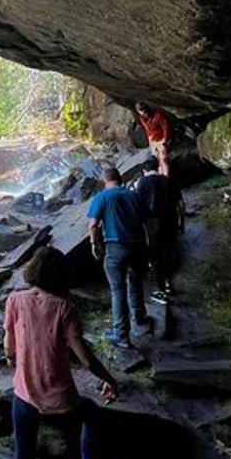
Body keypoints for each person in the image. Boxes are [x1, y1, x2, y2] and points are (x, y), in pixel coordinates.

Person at [2, 246, 119, 459]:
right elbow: (85, 357)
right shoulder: (64, 308)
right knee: (92, 415)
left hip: (25, 400)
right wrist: (110, 379)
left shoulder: (14, 301)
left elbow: (9, 349)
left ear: (34, 270)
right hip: (62, 402)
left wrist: (19, 362)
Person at [87, 166, 151, 348]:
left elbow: (93, 225)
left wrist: (95, 244)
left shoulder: (102, 197)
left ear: (105, 181)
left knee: (117, 291)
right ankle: (139, 314)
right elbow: (146, 220)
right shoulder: (134, 195)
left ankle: (122, 335)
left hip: (116, 247)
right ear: (120, 178)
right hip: (137, 245)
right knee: (135, 280)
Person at [134, 158, 184, 301]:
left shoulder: (141, 183)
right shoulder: (169, 181)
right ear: (157, 167)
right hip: (170, 221)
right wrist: (182, 223)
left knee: (155, 257)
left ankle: (161, 290)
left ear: (144, 170)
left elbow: (138, 207)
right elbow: (180, 205)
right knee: (169, 254)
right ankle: (169, 284)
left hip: (152, 225)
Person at [135, 102, 171, 176]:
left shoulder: (158, 114)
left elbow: (166, 128)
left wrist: (165, 140)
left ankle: (166, 176)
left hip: (161, 139)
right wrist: (150, 142)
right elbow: (147, 130)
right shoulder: (142, 118)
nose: (144, 111)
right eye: (141, 110)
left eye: (144, 109)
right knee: (157, 160)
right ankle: (162, 176)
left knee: (163, 158)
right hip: (153, 140)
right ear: (139, 112)